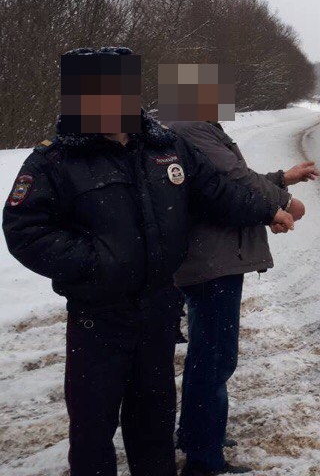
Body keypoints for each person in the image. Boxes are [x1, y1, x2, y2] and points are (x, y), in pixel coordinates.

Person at [2, 47, 297, 476]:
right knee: (92, 429)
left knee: (153, 421)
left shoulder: (165, 147)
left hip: (158, 310)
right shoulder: (54, 160)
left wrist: (269, 209)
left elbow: (219, 191)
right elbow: (25, 230)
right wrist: (95, 264)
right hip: (98, 317)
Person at [166, 117, 317, 475]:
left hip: (213, 258)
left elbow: (228, 183)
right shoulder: (191, 129)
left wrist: (281, 179)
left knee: (208, 355)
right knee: (214, 358)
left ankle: (198, 433)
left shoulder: (196, 128)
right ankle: (204, 457)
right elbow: (230, 185)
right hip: (211, 261)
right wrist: (282, 203)